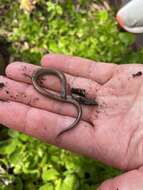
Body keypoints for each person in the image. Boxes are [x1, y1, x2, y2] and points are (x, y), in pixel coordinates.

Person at [1, 1, 143, 189]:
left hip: (63, 90)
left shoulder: (77, 97)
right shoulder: (72, 95)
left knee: (71, 99)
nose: (89, 103)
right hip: (52, 85)